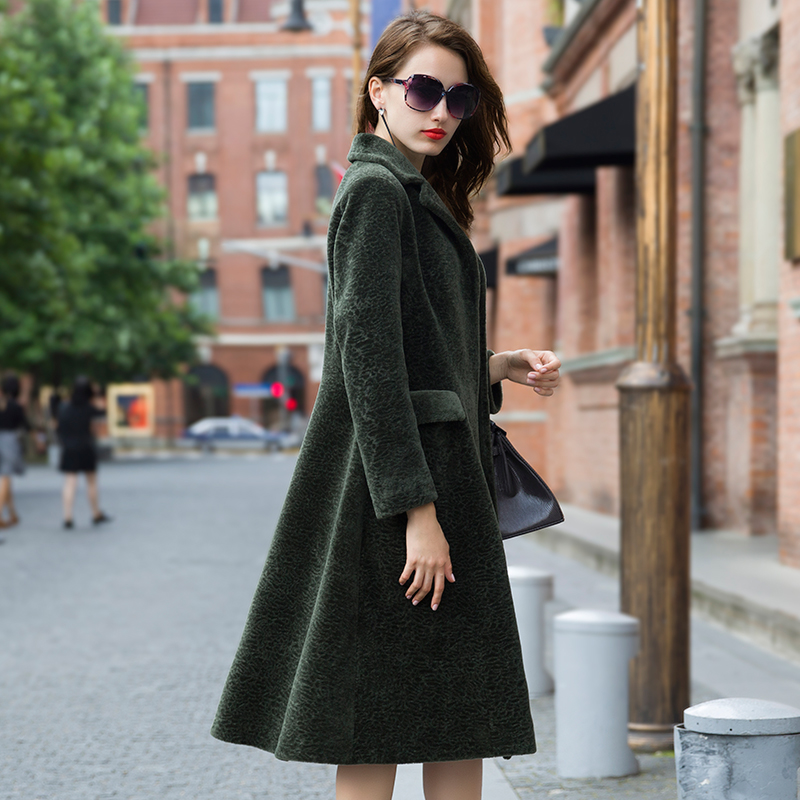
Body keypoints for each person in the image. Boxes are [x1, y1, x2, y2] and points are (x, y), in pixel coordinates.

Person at [211, 11, 561, 800]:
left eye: (459, 99)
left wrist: (498, 366)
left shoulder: (413, 193)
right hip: (402, 502)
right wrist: (416, 513)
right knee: (377, 727)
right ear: (379, 92)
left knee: (453, 721)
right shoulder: (376, 193)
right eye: (423, 90)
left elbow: (410, 350)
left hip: (436, 488)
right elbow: (367, 366)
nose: (442, 112)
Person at [56, 377, 110, 529]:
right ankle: (95, 513)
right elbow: (102, 414)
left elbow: (59, 428)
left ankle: (67, 516)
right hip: (86, 447)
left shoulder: (64, 408)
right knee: (91, 482)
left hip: (69, 448)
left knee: (70, 482)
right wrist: (98, 395)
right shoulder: (89, 408)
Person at [0, 374, 30, 530]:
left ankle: (12, 513)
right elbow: (26, 425)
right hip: (9, 442)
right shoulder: (15, 406)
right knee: (6, 477)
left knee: (6, 479)